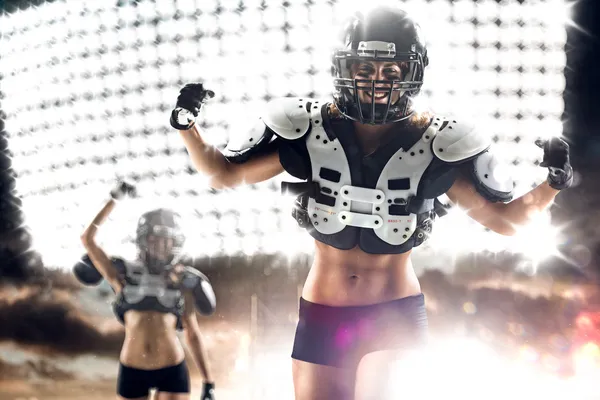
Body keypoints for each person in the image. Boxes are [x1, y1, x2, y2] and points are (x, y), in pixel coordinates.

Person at [170, 7, 573, 400]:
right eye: (365, 69)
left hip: (392, 314)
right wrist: (189, 126)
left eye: (391, 71)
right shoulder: (310, 130)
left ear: (411, 74)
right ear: (345, 70)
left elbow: (506, 221)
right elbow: (223, 173)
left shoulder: (435, 142)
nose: (377, 81)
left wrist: (552, 184)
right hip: (322, 312)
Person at [77, 181, 217, 400]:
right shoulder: (123, 275)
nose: (160, 245)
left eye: (166, 240)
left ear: (175, 243)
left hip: (171, 368)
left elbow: (192, 334)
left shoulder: (183, 281)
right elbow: (87, 239)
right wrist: (114, 199)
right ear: (144, 239)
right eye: (155, 238)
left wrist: (209, 382)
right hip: (132, 369)